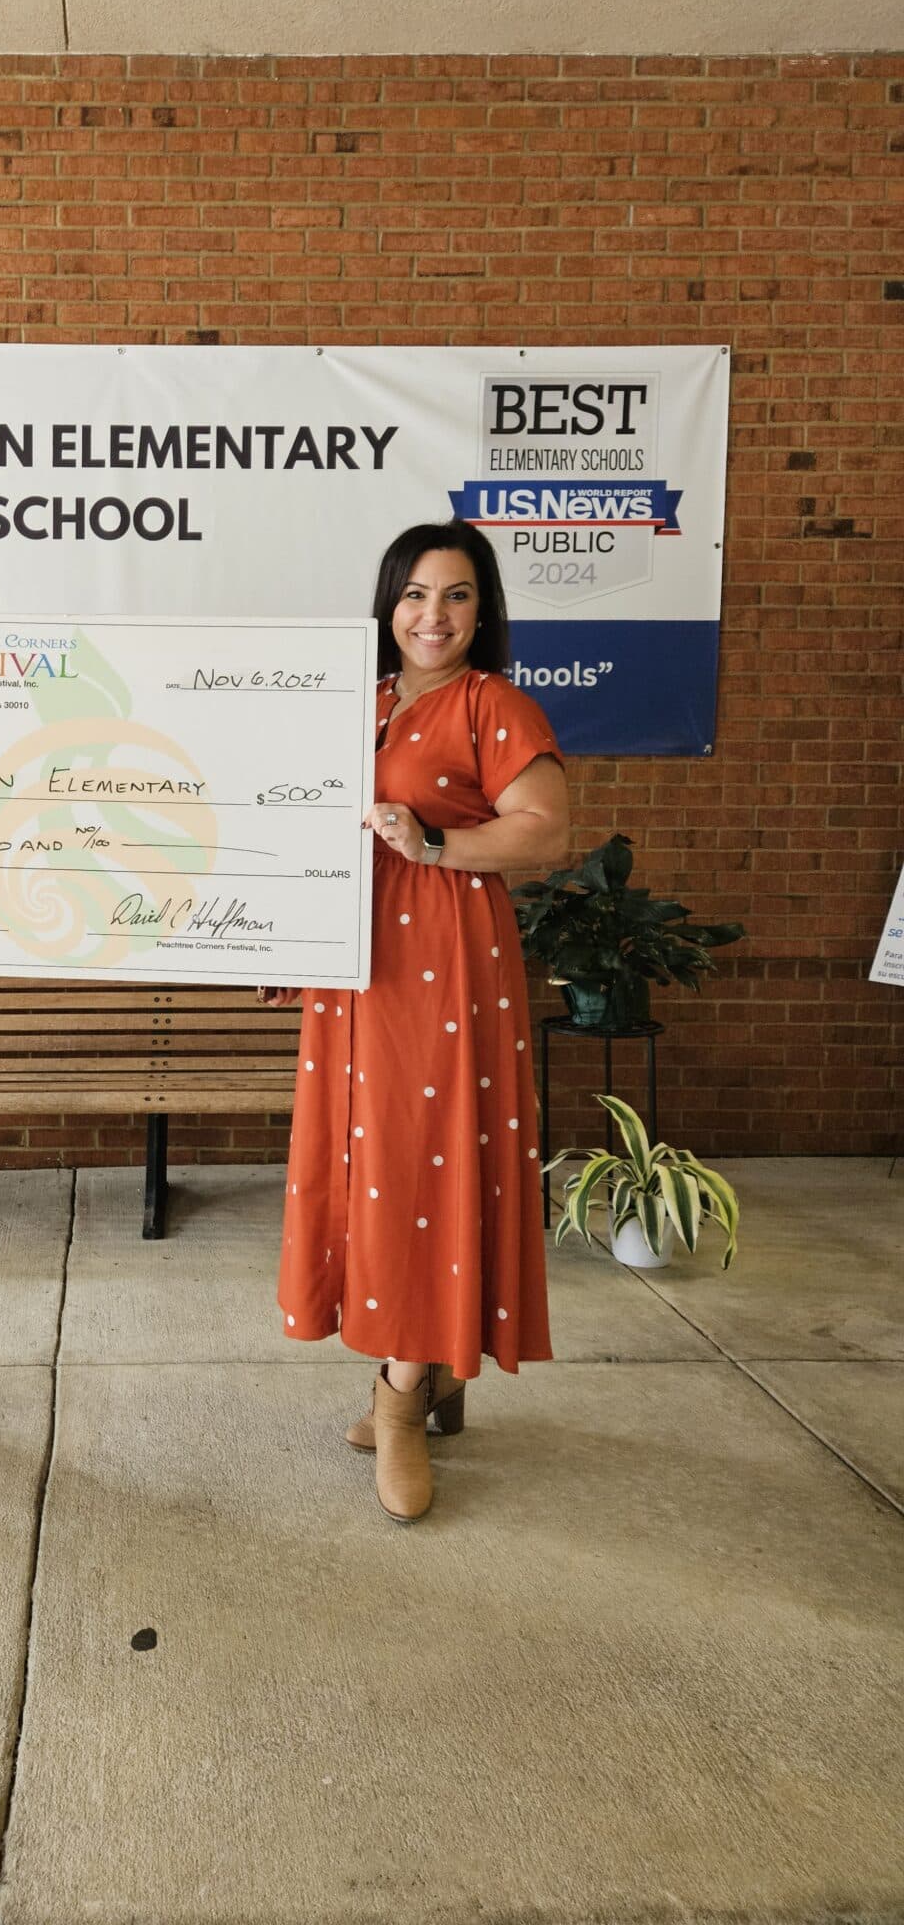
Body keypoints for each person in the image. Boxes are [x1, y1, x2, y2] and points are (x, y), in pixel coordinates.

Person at [263, 519, 569, 1523]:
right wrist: (282, 939)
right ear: (388, 607)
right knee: (368, 1169)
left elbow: (545, 828)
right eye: (414, 595)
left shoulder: (492, 702)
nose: (432, 616)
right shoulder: (361, 701)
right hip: (353, 970)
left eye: (456, 596)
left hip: (443, 963)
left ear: (484, 612)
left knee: (424, 1164)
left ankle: (400, 1399)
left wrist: (433, 842)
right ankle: (430, 1367)